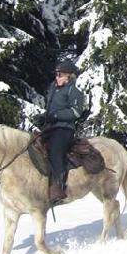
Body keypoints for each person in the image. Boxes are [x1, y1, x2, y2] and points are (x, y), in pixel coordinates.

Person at [42, 58, 86, 205]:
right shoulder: (53, 88)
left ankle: (59, 187)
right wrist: (44, 117)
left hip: (65, 128)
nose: (57, 77)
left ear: (69, 76)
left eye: (60, 75)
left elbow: (75, 112)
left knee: (55, 151)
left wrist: (56, 116)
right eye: (56, 75)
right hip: (51, 127)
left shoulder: (74, 91)